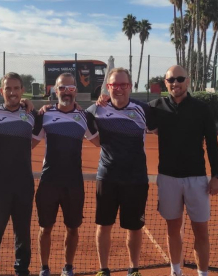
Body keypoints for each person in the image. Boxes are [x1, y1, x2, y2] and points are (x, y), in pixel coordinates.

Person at [147, 65, 218, 276]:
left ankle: (202, 273)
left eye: (180, 79)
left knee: (201, 232)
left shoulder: (201, 108)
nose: (175, 83)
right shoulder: (156, 107)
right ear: (165, 83)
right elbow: (127, 107)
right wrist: (102, 101)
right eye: (171, 80)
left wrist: (216, 175)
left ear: (187, 81)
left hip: (197, 179)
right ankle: (176, 271)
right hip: (168, 178)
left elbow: (213, 144)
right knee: (173, 229)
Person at [32, 72, 100, 276]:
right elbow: (29, 144)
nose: (66, 92)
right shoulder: (44, 115)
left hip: (74, 184)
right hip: (49, 181)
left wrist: (102, 104)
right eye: (62, 88)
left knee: (73, 229)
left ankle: (67, 267)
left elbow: (100, 141)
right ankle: (44, 268)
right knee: (45, 228)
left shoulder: (85, 116)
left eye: (71, 88)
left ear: (76, 91)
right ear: (55, 90)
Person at [89, 68, 150, 276]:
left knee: (134, 228)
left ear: (130, 87)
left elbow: (170, 123)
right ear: (108, 87)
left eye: (123, 85)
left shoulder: (143, 109)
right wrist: (43, 108)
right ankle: (103, 269)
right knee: (104, 225)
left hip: (136, 179)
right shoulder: (97, 109)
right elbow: (72, 113)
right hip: (107, 177)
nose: (119, 89)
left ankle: (133, 269)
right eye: (115, 85)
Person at [0, 72, 37, 276]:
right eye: (8, 88)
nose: (12, 92)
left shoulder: (32, 114)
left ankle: (22, 270)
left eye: (16, 88)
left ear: (22, 90)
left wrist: (31, 103)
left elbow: (44, 126)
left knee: (22, 232)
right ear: (1, 91)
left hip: (24, 183)